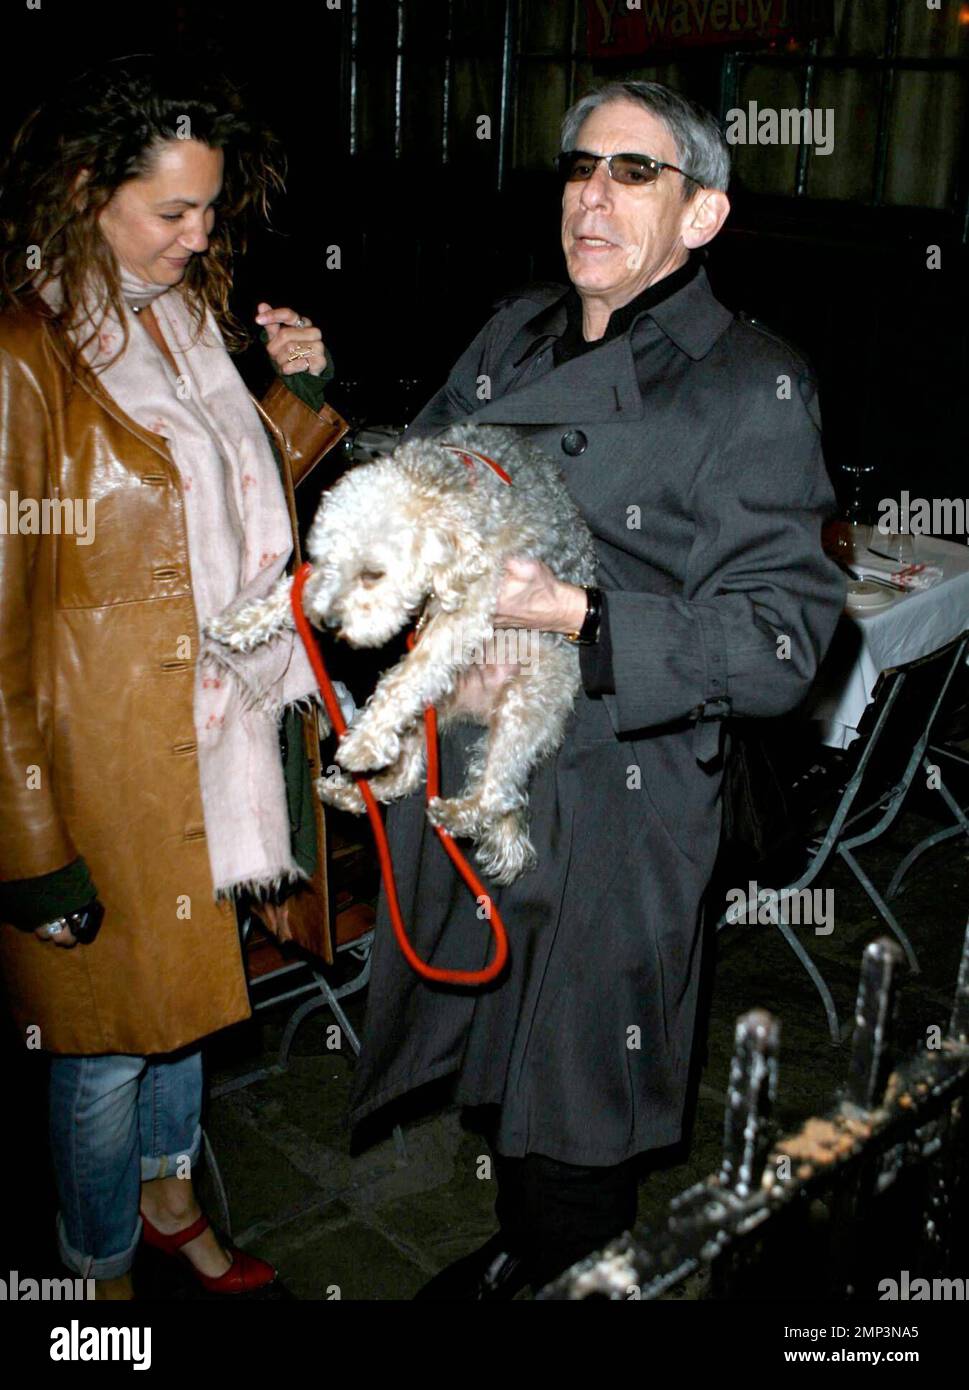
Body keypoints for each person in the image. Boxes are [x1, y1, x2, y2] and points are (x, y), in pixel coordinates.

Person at [347, 80, 846, 1297]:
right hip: (485, 759)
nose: (594, 195)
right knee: (501, 1047)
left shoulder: (750, 383)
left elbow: (784, 642)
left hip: (620, 790)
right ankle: (530, 1250)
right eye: (580, 167)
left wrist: (576, 613)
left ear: (704, 216)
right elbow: (422, 474)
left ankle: (577, 1269)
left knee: (579, 1083)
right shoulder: (515, 331)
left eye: (635, 173)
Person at [0, 58, 341, 1299]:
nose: (198, 239)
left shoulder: (185, 318)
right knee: (99, 1041)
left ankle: (168, 1200)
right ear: (90, 192)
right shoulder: (29, 351)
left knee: (189, 999)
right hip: (94, 754)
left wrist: (291, 400)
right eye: (171, 213)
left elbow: (212, 524)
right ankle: (91, 1279)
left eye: (209, 211)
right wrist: (29, 837)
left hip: (212, 731)